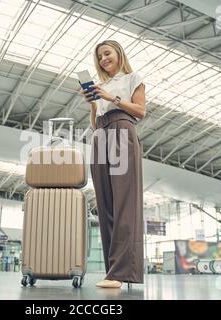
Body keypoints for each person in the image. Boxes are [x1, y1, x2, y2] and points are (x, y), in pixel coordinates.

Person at [81, 40, 146, 288]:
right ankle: (112, 273)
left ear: (118, 53)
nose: (103, 59)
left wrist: (112, 97)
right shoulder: (101, 86)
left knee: (124, 203)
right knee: (105, 201)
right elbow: (95, 122)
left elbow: (140, 111)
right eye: (99, 56)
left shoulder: (132, 78)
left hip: (122, 128)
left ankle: (122, 272)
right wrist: (94, 104)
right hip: (101, 133)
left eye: (107, 53)